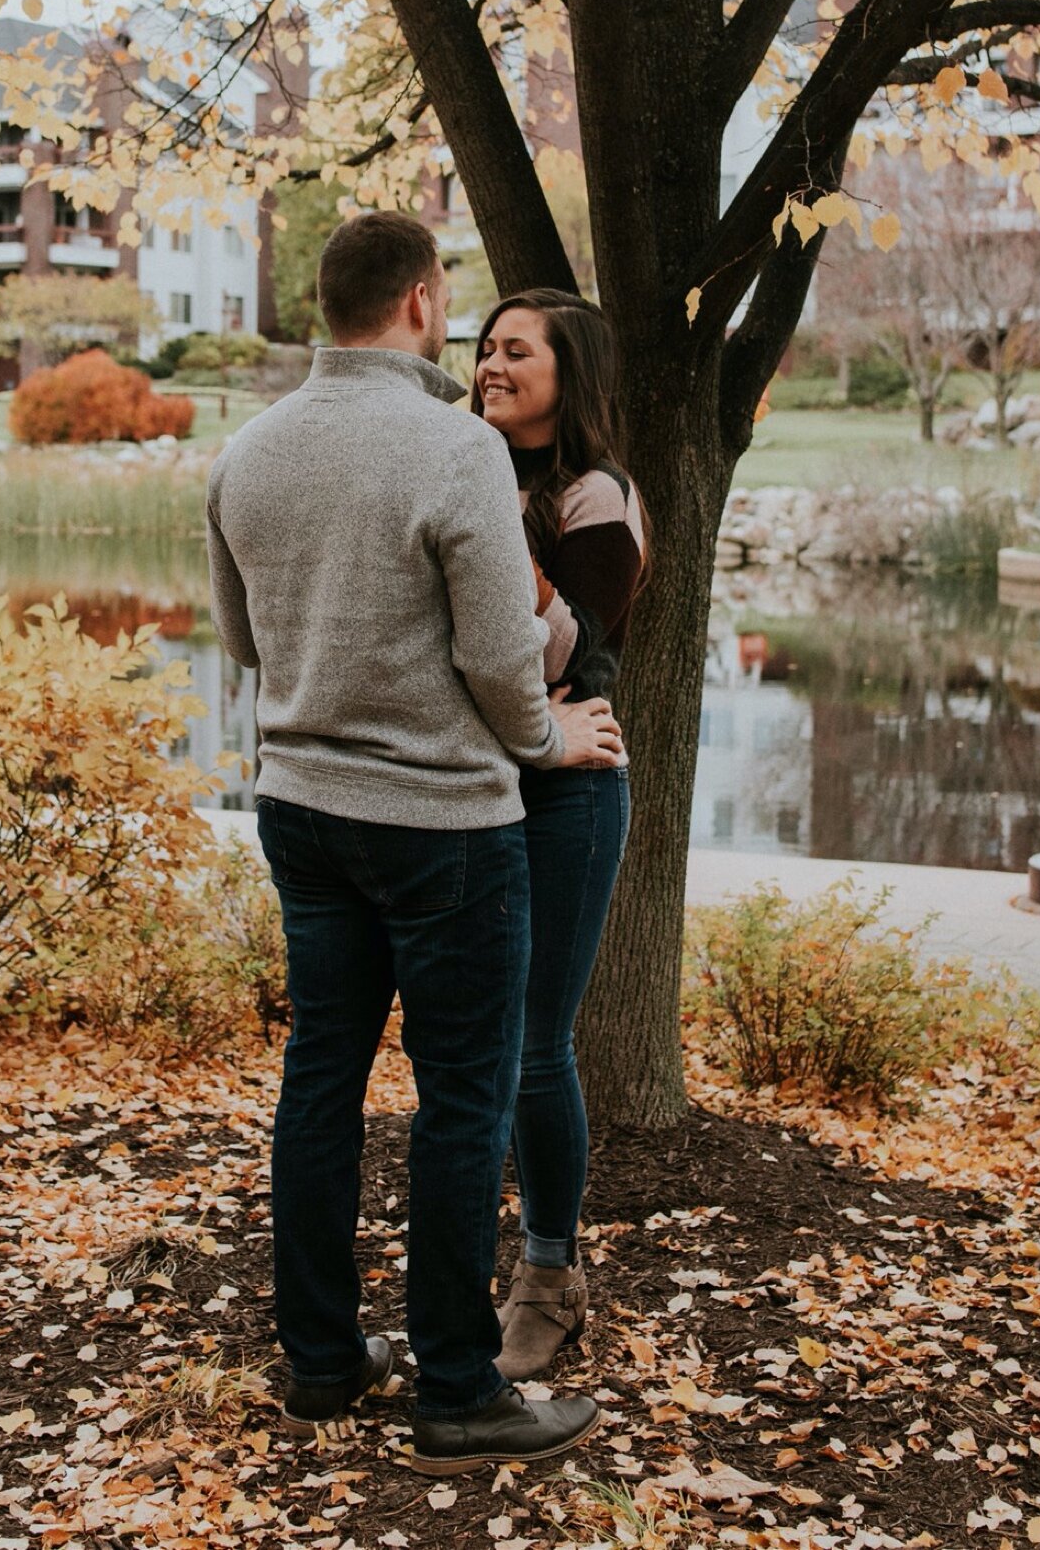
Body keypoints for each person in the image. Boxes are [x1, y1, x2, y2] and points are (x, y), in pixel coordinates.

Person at [206, 213, 622, 1475]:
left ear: (326, 305)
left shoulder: (248, 450)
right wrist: (545, 742)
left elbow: (239, 641)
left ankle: (324, 1360)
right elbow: (504, 656)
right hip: (443, 820)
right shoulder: (457, 449)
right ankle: (456, 1385)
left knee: (321, 1079)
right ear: (424, 303)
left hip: (303, 810)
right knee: (461, 1096)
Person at [472, 290, 647, 1382]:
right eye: (484, 346)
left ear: (567, 370)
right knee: (473, 1034)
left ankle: (549, 1275)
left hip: (572, 790)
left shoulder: (599, 499)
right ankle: (467, 1264)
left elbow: (556, 651)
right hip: (477, 781)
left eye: (516, 350)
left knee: (537, 1036)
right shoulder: (467, 463)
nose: (490, 363)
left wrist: (487, 521)